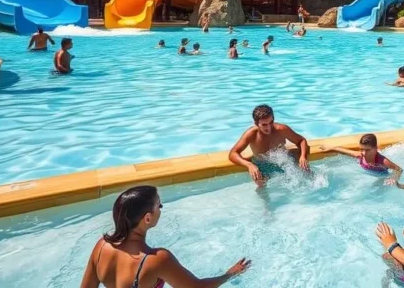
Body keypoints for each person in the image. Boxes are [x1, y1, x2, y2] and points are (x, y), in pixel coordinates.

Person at [79, 185, 250, 288]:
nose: (161, 209)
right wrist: (229, 274)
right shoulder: (156, 259)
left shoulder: (101, 247)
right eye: (159, 205)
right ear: (147, 218)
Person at [228, 104, 310, 185]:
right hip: (263, 165)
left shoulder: (281, 129)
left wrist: (303, 157)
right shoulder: (251, 134)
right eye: (264, 125)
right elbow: (233, 154)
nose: (269, 127)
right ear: (256, 124)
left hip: (283, 162)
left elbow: (301, 140)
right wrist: (249, 165)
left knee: (306, 174)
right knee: (259, 181)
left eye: (271, 122)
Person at [322, 133, 402, 177]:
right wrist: (331, 148)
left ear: (375, 148)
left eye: (367, 150)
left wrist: (394, 178)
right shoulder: (360, 156)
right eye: (361, 149)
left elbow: (399, 170)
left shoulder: (383, 161)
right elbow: (344, 151)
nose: (363, 153)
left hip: (381, 176)